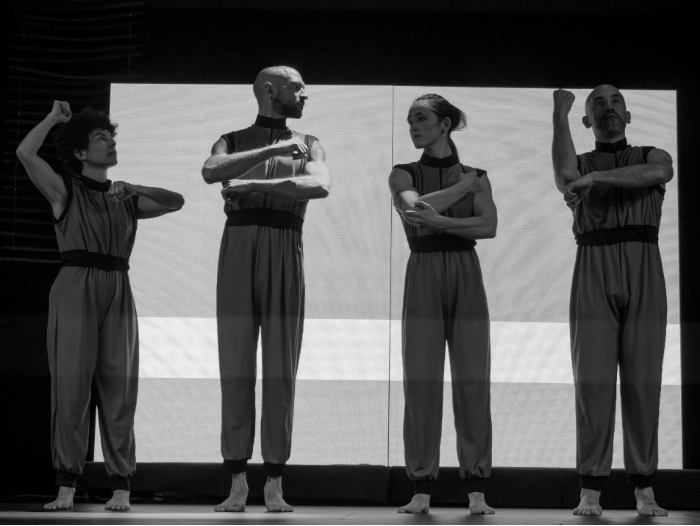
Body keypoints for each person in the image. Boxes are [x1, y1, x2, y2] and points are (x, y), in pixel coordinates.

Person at [16, 101, 185, 511]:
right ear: (80, 152)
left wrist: (136, 187)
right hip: (76, 285)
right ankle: (66, 485)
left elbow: (177, 201)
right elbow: (25, 153)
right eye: (100, 138)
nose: (110, 143)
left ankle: (121, 484)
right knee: (71, 386)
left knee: (119, 387)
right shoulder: (64, 190)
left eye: (111, 137)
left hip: (117, 286)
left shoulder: (124, 197)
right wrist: (53, 120)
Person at [201, 66, 330, 513]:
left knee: (280, 368)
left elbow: (319, 185)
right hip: (238, 246)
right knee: (235, 365)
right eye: (297, 87)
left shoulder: (310, 142)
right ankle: (237, 483)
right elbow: (211, 171)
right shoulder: (233, 139)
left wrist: (253, 183)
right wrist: (274, 150)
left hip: (285, 245)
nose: (304, 94)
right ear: (271, 91)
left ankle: (274, 482)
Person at [551, 85, 673, 517]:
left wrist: (597, 180)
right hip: (593, 264)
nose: (608, 107)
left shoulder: (651, 154)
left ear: (628, 115)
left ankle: (644, 489)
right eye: (597, 104)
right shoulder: (580, 163)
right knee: (593, 382)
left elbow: (657, 173)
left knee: (643, 381)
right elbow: (565, 174)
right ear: (587, 121)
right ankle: (590, 491)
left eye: (615, 101)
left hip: (643, 265)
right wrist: (560, 113)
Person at [388, 94, 497, 515]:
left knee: (473, 380)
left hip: (465, 270)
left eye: (421, 118)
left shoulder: (477, 175)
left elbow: (488, 226)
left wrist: (439, 220)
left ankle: (477, 489)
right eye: (410, 120)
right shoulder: (404, 172)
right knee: (421, 381)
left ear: (445, 124)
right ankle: (421, 487)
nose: (413, 126)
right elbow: (413, 208)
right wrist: (462, 191)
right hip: (424, 269)